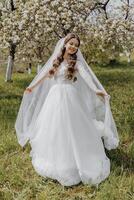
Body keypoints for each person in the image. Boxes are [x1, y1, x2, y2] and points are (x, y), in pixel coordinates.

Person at [15, 33, 119, 187]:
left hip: (70, 97)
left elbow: (86, 77)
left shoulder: (75, 63)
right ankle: (54, 155)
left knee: (73, 125)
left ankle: (76, 157)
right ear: (65, 44)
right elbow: (44, 75)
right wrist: (32, 86)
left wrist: (97, 90)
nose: (73, 47)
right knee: (54, 125)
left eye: (76, 45)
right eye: (71, 43)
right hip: (55, 96)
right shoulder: (56, 61)